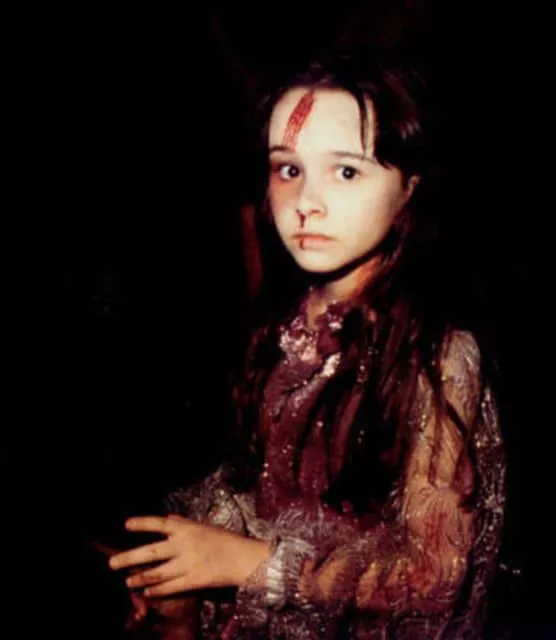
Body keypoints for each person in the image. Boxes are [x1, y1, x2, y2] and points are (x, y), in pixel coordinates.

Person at [108, 53, 506, 638]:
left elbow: (431, 577)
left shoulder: (436, 357)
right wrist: (184, 573)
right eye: (288, 169)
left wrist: (247, 563)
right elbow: (263, 489)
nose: (306, 202)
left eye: (345, 171)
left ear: (410, 187)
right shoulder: (286, 321)